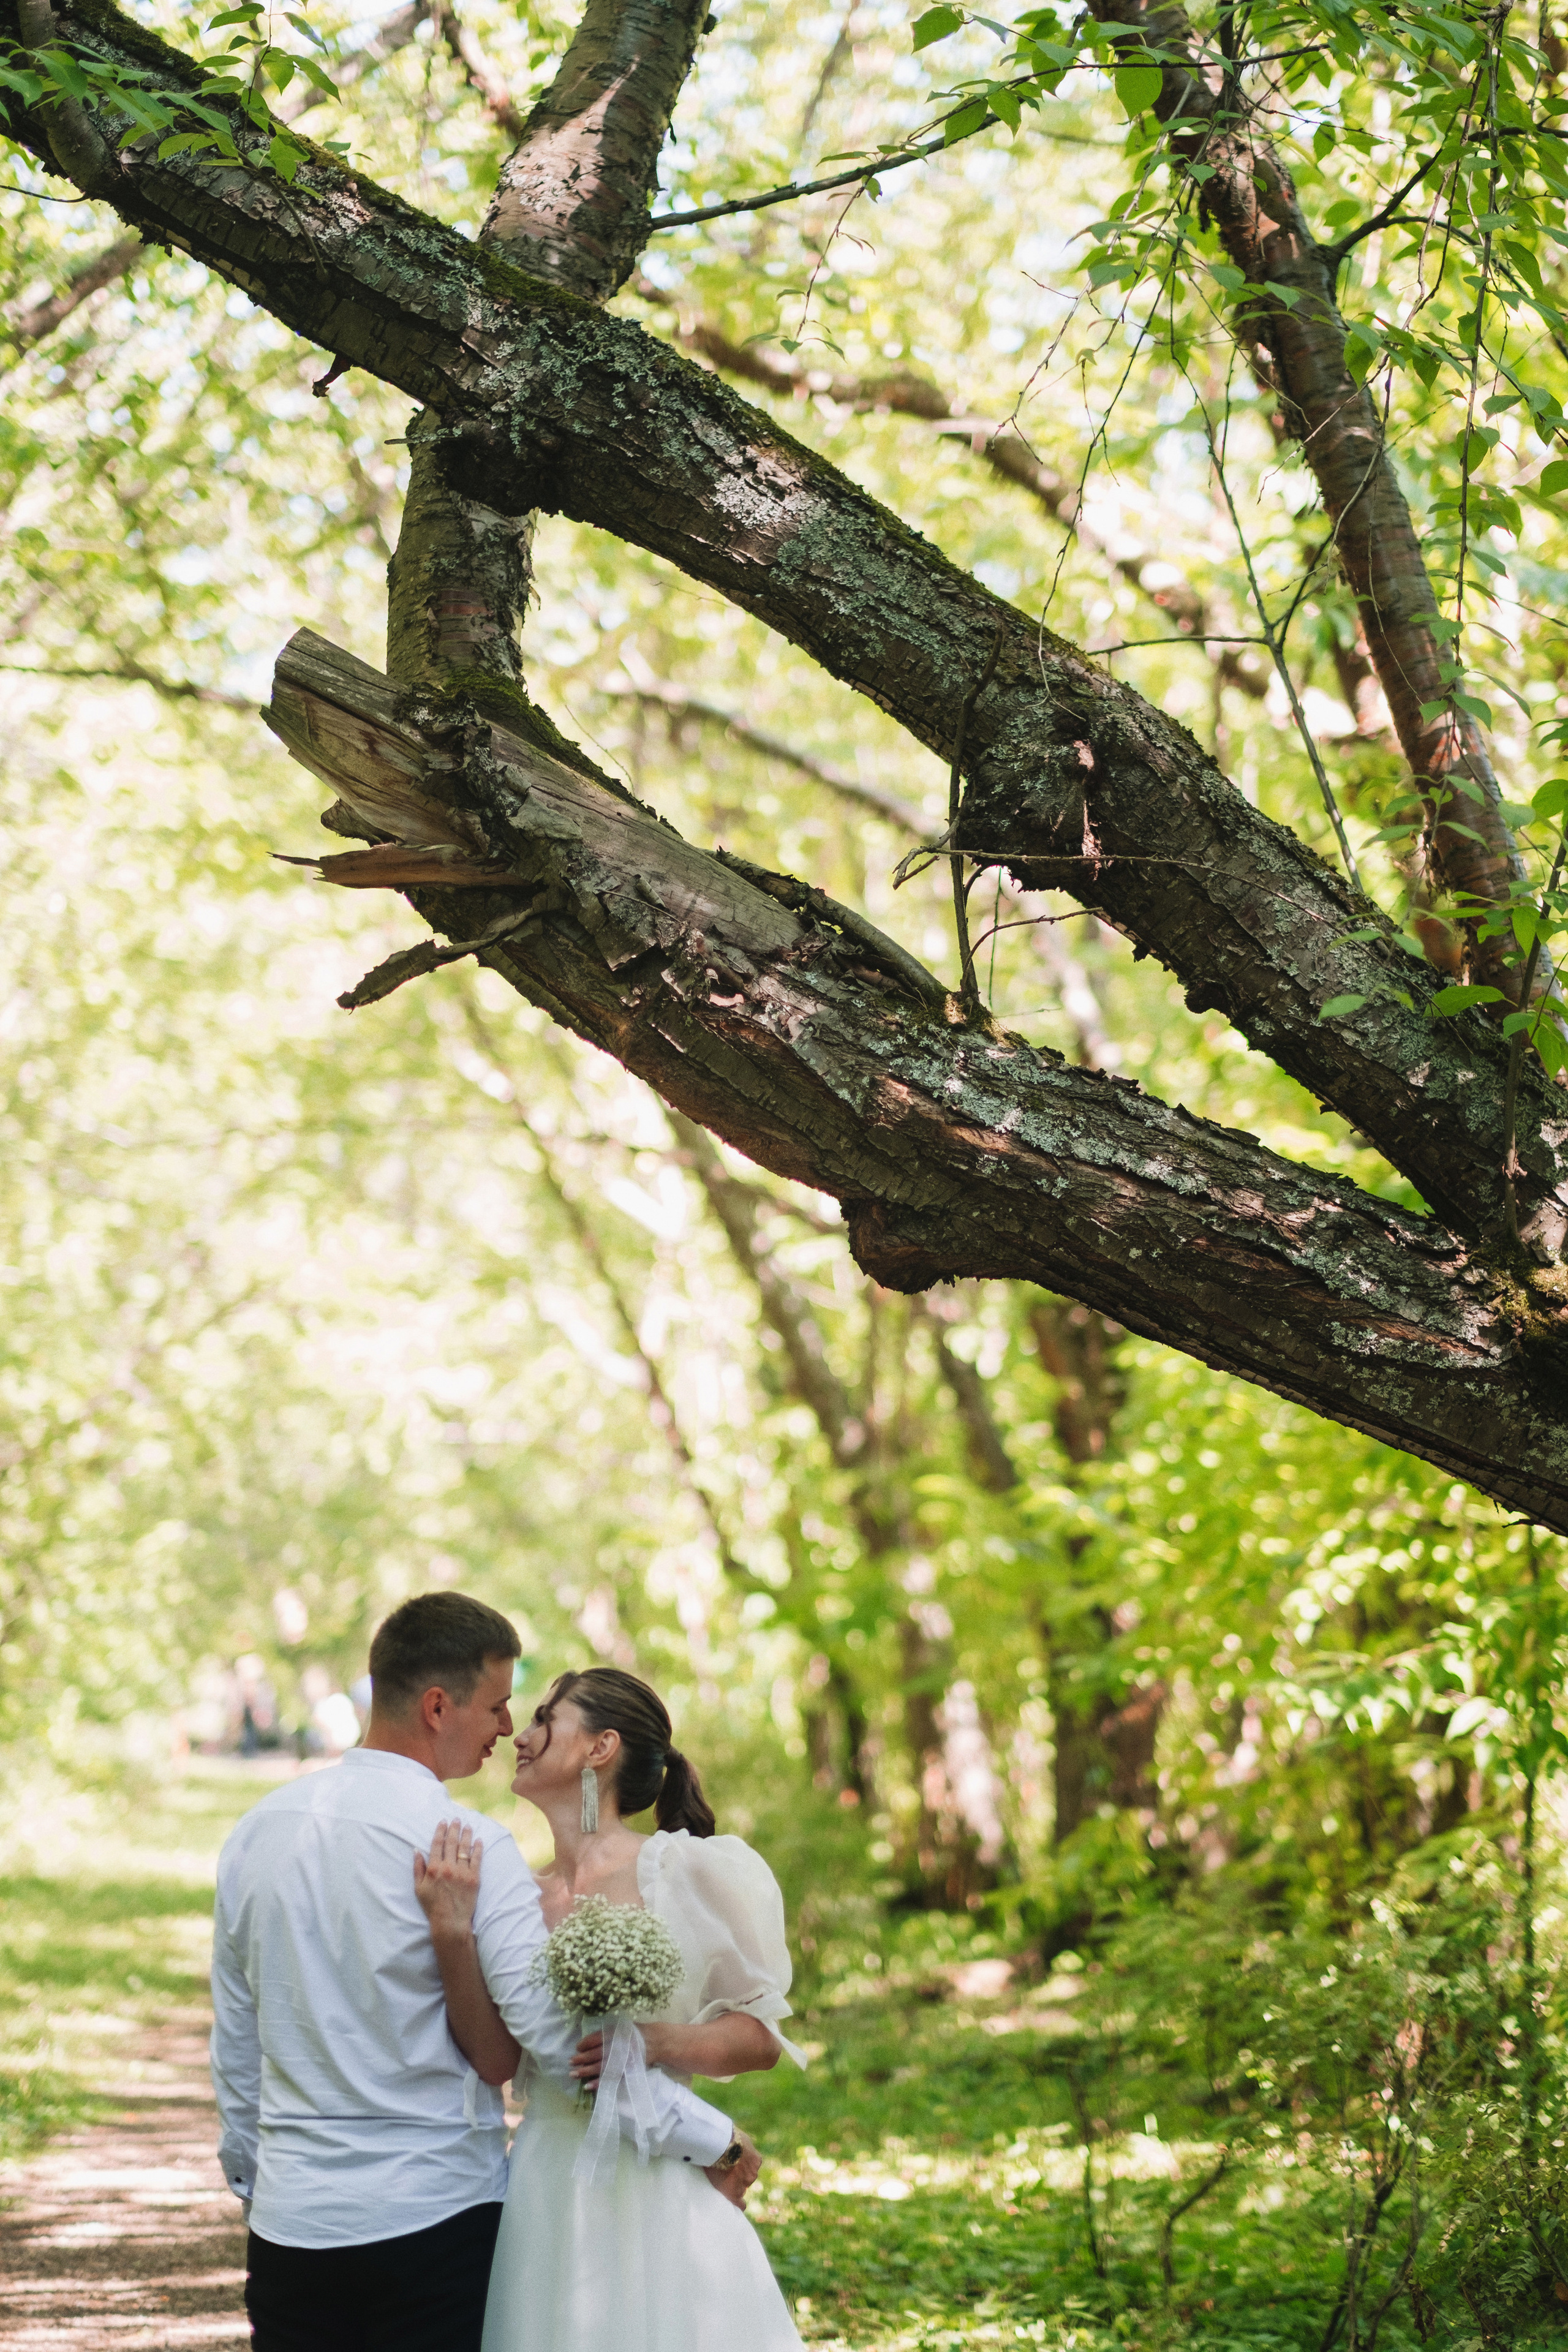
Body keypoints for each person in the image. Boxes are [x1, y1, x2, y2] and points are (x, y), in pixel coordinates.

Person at [210, 1596, 754, 2352]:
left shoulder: (256, 1834)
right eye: (499, 1705)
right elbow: (561, 2048)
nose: (507, 1728)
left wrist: (255, 2180)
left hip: (292, 2224)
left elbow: (236, 2034)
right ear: (438, 1707)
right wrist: (711, 2137)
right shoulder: (470, 1846)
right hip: (434, 2219)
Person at [415, 1665, 807, 2352]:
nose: (520, 1734)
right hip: (549, 2171)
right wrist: (452, 1932)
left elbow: (760, 2038)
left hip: (659, 2175)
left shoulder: (688, 1871)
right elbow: (495, 2056)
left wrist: (658, 2043)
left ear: (600, 1748)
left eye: (544, 1719)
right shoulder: (514, 1894)